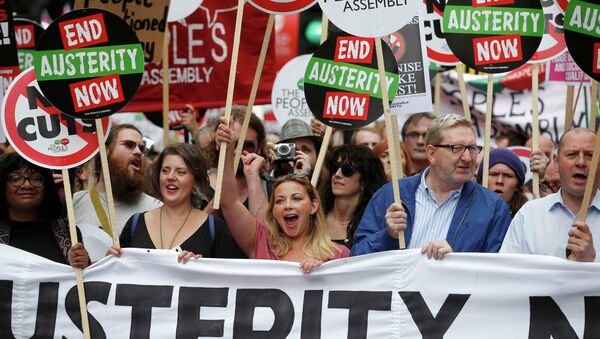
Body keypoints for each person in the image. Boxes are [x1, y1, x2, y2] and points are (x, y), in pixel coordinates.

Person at [352, 114, 512, 259]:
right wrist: (387, 236)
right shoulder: (392, 194)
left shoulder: (493, 209)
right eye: (457, 148)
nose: (468, 158)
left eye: (472, 148)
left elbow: (497, 273)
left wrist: (457, 262)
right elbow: (357, 257)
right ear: (431, 153)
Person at [216, 117, 349, 272]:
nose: (287, 206)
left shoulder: (339, 255)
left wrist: (324, 271)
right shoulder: (261, 242)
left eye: (296, 198)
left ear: (313, 206)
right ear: (272, 210)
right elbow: (229, 201)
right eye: (279, 201)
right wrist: (228, 150)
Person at [109, 143, 244, 262]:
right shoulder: (135, 223)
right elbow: (118, 274)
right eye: (165, 171)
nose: (171, 177)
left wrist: (201, 268)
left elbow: (229, 278)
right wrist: (110, 259)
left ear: (196, 181)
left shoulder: (214, 228)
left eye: (180, 172)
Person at [500, 128, 600, 262]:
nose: (581, 162)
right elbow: (507, 273)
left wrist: (591, 263)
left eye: (590, 155)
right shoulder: (529, 215)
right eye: (572, 154)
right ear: (556, 162)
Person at [73, 124, 162, 260]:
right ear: (105, 150)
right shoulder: (73, 204)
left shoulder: (157, 209)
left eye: (142, 148)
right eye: (129, 144)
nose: (138, 152)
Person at [0, 152, 89, 268]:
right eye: (16, 179)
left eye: (36, 178)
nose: (27, 185)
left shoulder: (68, 232)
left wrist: (85, 264)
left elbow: (84, 282)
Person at [321, 145, 387, 247]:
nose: (337, 174)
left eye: (347, 169)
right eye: (334, 167)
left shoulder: (376, 222)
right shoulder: (315, 216)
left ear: (364, 180)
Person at [476, 148, 528, 216]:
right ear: (481, 181)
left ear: (517, 186)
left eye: (507, 176)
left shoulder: (525, 220)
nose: (499, 181)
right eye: (494, 174)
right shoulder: (466, 215)